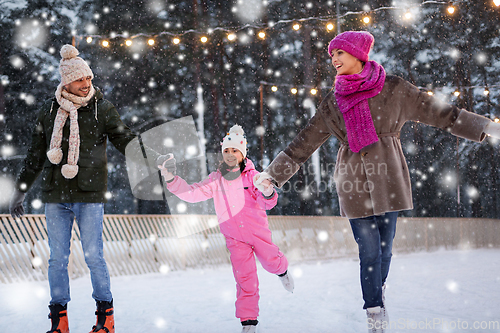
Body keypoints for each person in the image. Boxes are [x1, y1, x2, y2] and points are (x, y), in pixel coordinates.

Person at [253, 31, 500, 333]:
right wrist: (273, 175)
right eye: (331, 56)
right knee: (368, 250)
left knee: (385, 248)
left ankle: (377, 291)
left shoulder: (395, 89)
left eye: (339, 54)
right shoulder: (333, 102)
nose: (333, 60)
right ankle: (373, 309)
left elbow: (438, 112)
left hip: (390, 178)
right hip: (354, 182)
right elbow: (306, 140)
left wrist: (483, 126)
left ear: (357, 53)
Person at [8, 44, 158, 333]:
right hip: (56, 195)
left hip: (89, 195)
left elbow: (124, 138)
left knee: (93, 256)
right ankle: (59, 321)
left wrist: (151, 155)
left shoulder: (102, 109)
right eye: (80, 79)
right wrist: (21, 189)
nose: (86, 84)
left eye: (88, 78)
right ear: (66, 81)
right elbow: (36, 155)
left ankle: (106, 318)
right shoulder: (49, 111)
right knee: (57, 259)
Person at [158, 125, 294, 333]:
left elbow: (269, 202)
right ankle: (249, 323)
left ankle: (282, 271)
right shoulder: (217, 179)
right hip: (234, 238)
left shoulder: (253, 176)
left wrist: (267, 191)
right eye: (226, 151)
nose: (230, 154)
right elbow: (193, 193)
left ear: (243, 153)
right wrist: (171, 179)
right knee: (245, 279)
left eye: (235, 150)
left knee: (271, 262)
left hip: (258, 234)